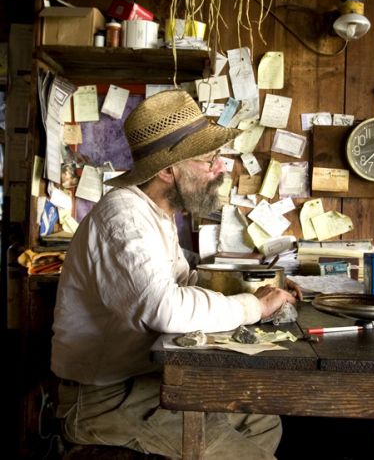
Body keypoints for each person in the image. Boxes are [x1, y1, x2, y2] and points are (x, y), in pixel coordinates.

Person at [51, 89, 300, 459]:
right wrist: (254, 307)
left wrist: (262, 288)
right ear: (168, 170)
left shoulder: (157, 214)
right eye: (209, 159)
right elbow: (165, 308)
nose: (220, 168)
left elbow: (183, 283)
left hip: (145, 382)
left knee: (263, 421)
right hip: (102, 401)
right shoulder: (123, 219)